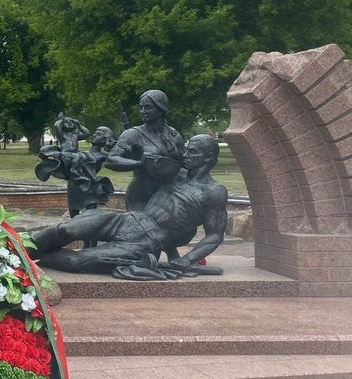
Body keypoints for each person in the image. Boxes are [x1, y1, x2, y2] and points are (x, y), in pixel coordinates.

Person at [30, 134, 228, 280]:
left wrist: (188, 258)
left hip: (147, 241)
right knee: (68, 228)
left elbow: (215, 235)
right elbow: (134, 162)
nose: (186, 154)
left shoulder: (213, 191)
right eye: (187, 149)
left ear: (208, 158)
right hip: (129, 220)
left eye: (192, 151)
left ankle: (30, 260)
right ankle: (20, 248)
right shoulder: (175, 173)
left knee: (77, 261)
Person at [106, 90, 185, 213]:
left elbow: (184, 164)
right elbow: (111, 160)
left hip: (168, 196)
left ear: (160, 110)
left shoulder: (174, 135)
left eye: (148, 108)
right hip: (141, 197)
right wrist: (140, 163)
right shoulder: (132, 134)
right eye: (141, 108)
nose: (143, 111)